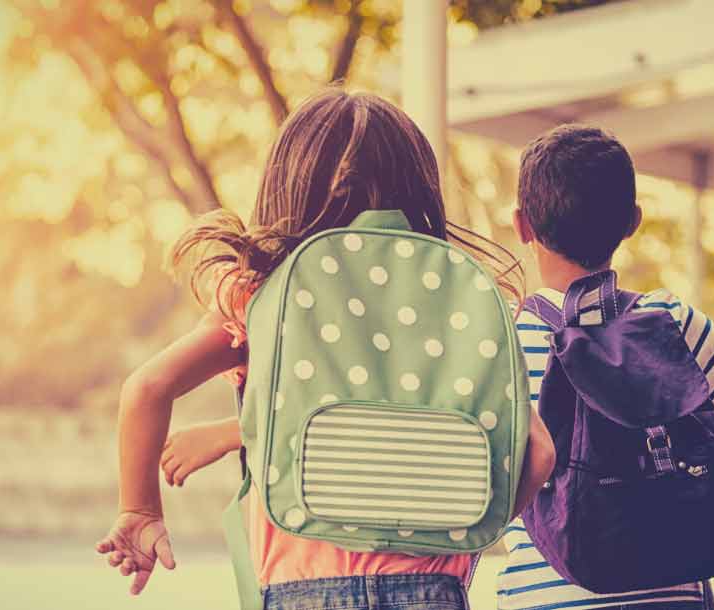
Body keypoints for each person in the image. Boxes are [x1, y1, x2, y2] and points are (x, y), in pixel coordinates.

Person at [95, 88, 558, 610]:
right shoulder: (469, 304)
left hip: (303, 591)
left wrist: (140, 510)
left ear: (288, 186)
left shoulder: (261, 296)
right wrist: (460, 544)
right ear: (420, 188)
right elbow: (539, 454)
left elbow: (147, 388)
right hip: (430, 591)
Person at [497, 124, 714, 610]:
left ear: (522, 225)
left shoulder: (500, 344)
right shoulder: (668, 323)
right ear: (633, 221)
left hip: (544, 599)